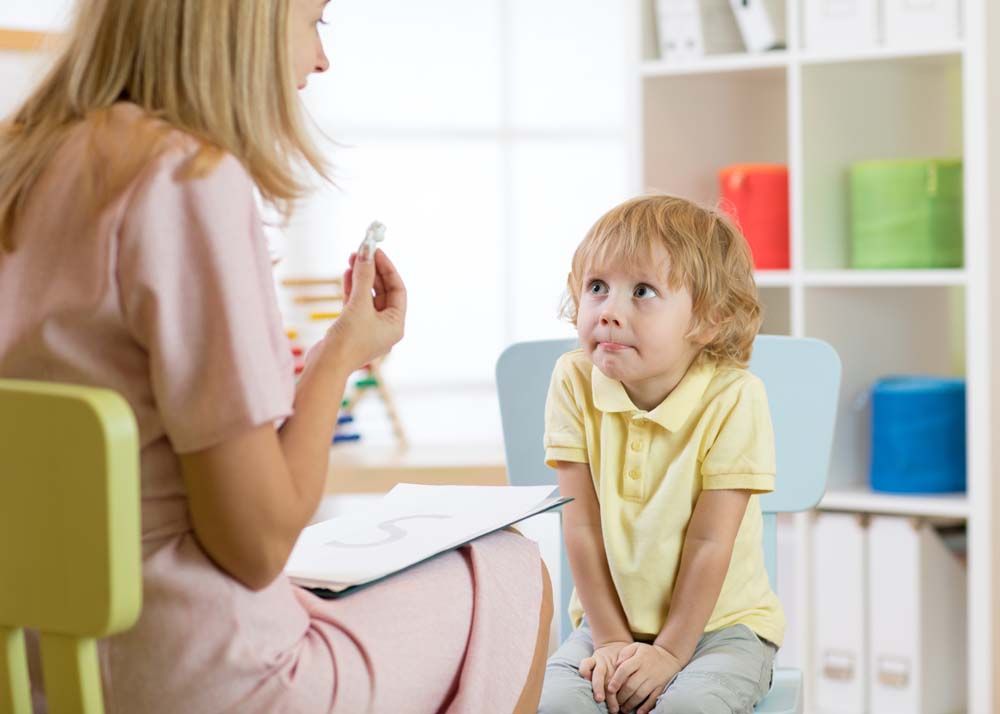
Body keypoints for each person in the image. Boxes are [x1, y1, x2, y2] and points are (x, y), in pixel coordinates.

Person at [0, 1, 551, 712]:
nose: (322, 59)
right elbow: (256, 544)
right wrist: (338, 357)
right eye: (315, 20)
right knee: (512, 568)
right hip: (193, 673)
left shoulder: (25, 162)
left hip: (42, 662)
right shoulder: (187, 177)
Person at [538, 195, 783, 714]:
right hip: (606, 625)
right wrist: (609, 641)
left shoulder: (733, 396)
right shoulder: (574, 380)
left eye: (642, 291)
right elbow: (579, 527)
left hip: (721, 630)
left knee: (690, 709)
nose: (608, 312)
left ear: (710, 319)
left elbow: (710, 541)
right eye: (596, 287)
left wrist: (670, 652)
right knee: (555, 705)